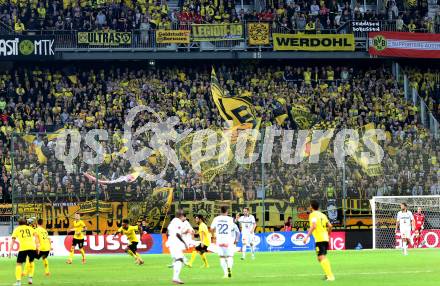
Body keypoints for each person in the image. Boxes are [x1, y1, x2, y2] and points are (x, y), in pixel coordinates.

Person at [303, 200, 335, 281]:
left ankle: (330, 276)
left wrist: (307, 236)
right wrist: (328, 235)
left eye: (309, 205)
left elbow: (313, 226)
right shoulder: (323, 215)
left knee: (321, 257)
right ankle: (327, 274)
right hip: (325, 238)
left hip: (320, 239)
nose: (309, 207)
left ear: (311, 207)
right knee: (320, 257)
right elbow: (330, 226)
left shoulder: (312, 215)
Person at [211, 206, 240, 279]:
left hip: (219, 240)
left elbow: (211, 228)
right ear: (227, 211)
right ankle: (229, 269)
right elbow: (233, 228)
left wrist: (213, 236)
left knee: (222, 257)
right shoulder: (230, 219)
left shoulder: (216, 219)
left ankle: (225, 273)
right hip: (228, 240)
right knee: (230, 256)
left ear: (220, 211)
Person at [9, 218, 40, 286]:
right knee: (31, 262)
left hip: (23, 248)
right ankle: (30, 278)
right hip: (32, 247)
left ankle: (18, 282)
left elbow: (13, 241)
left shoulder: (17, 229)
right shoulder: (30, 228)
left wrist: (10, 250)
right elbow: (36, 237)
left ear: (18, 223)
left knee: (19, 264)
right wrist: (38, 246)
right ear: (25, 222)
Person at [166, 210, 189, 284]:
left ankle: (176, 277)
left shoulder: (172, 222)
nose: (184, 218)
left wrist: (170, 239)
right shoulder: (179, 222)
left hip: (171, 243)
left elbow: (167, 233)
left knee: (179, 260)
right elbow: (177, 234)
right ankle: (175, 278)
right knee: (180, 259)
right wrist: (184, 242)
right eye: (184, 216)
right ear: (181, 216)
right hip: (175, 243)